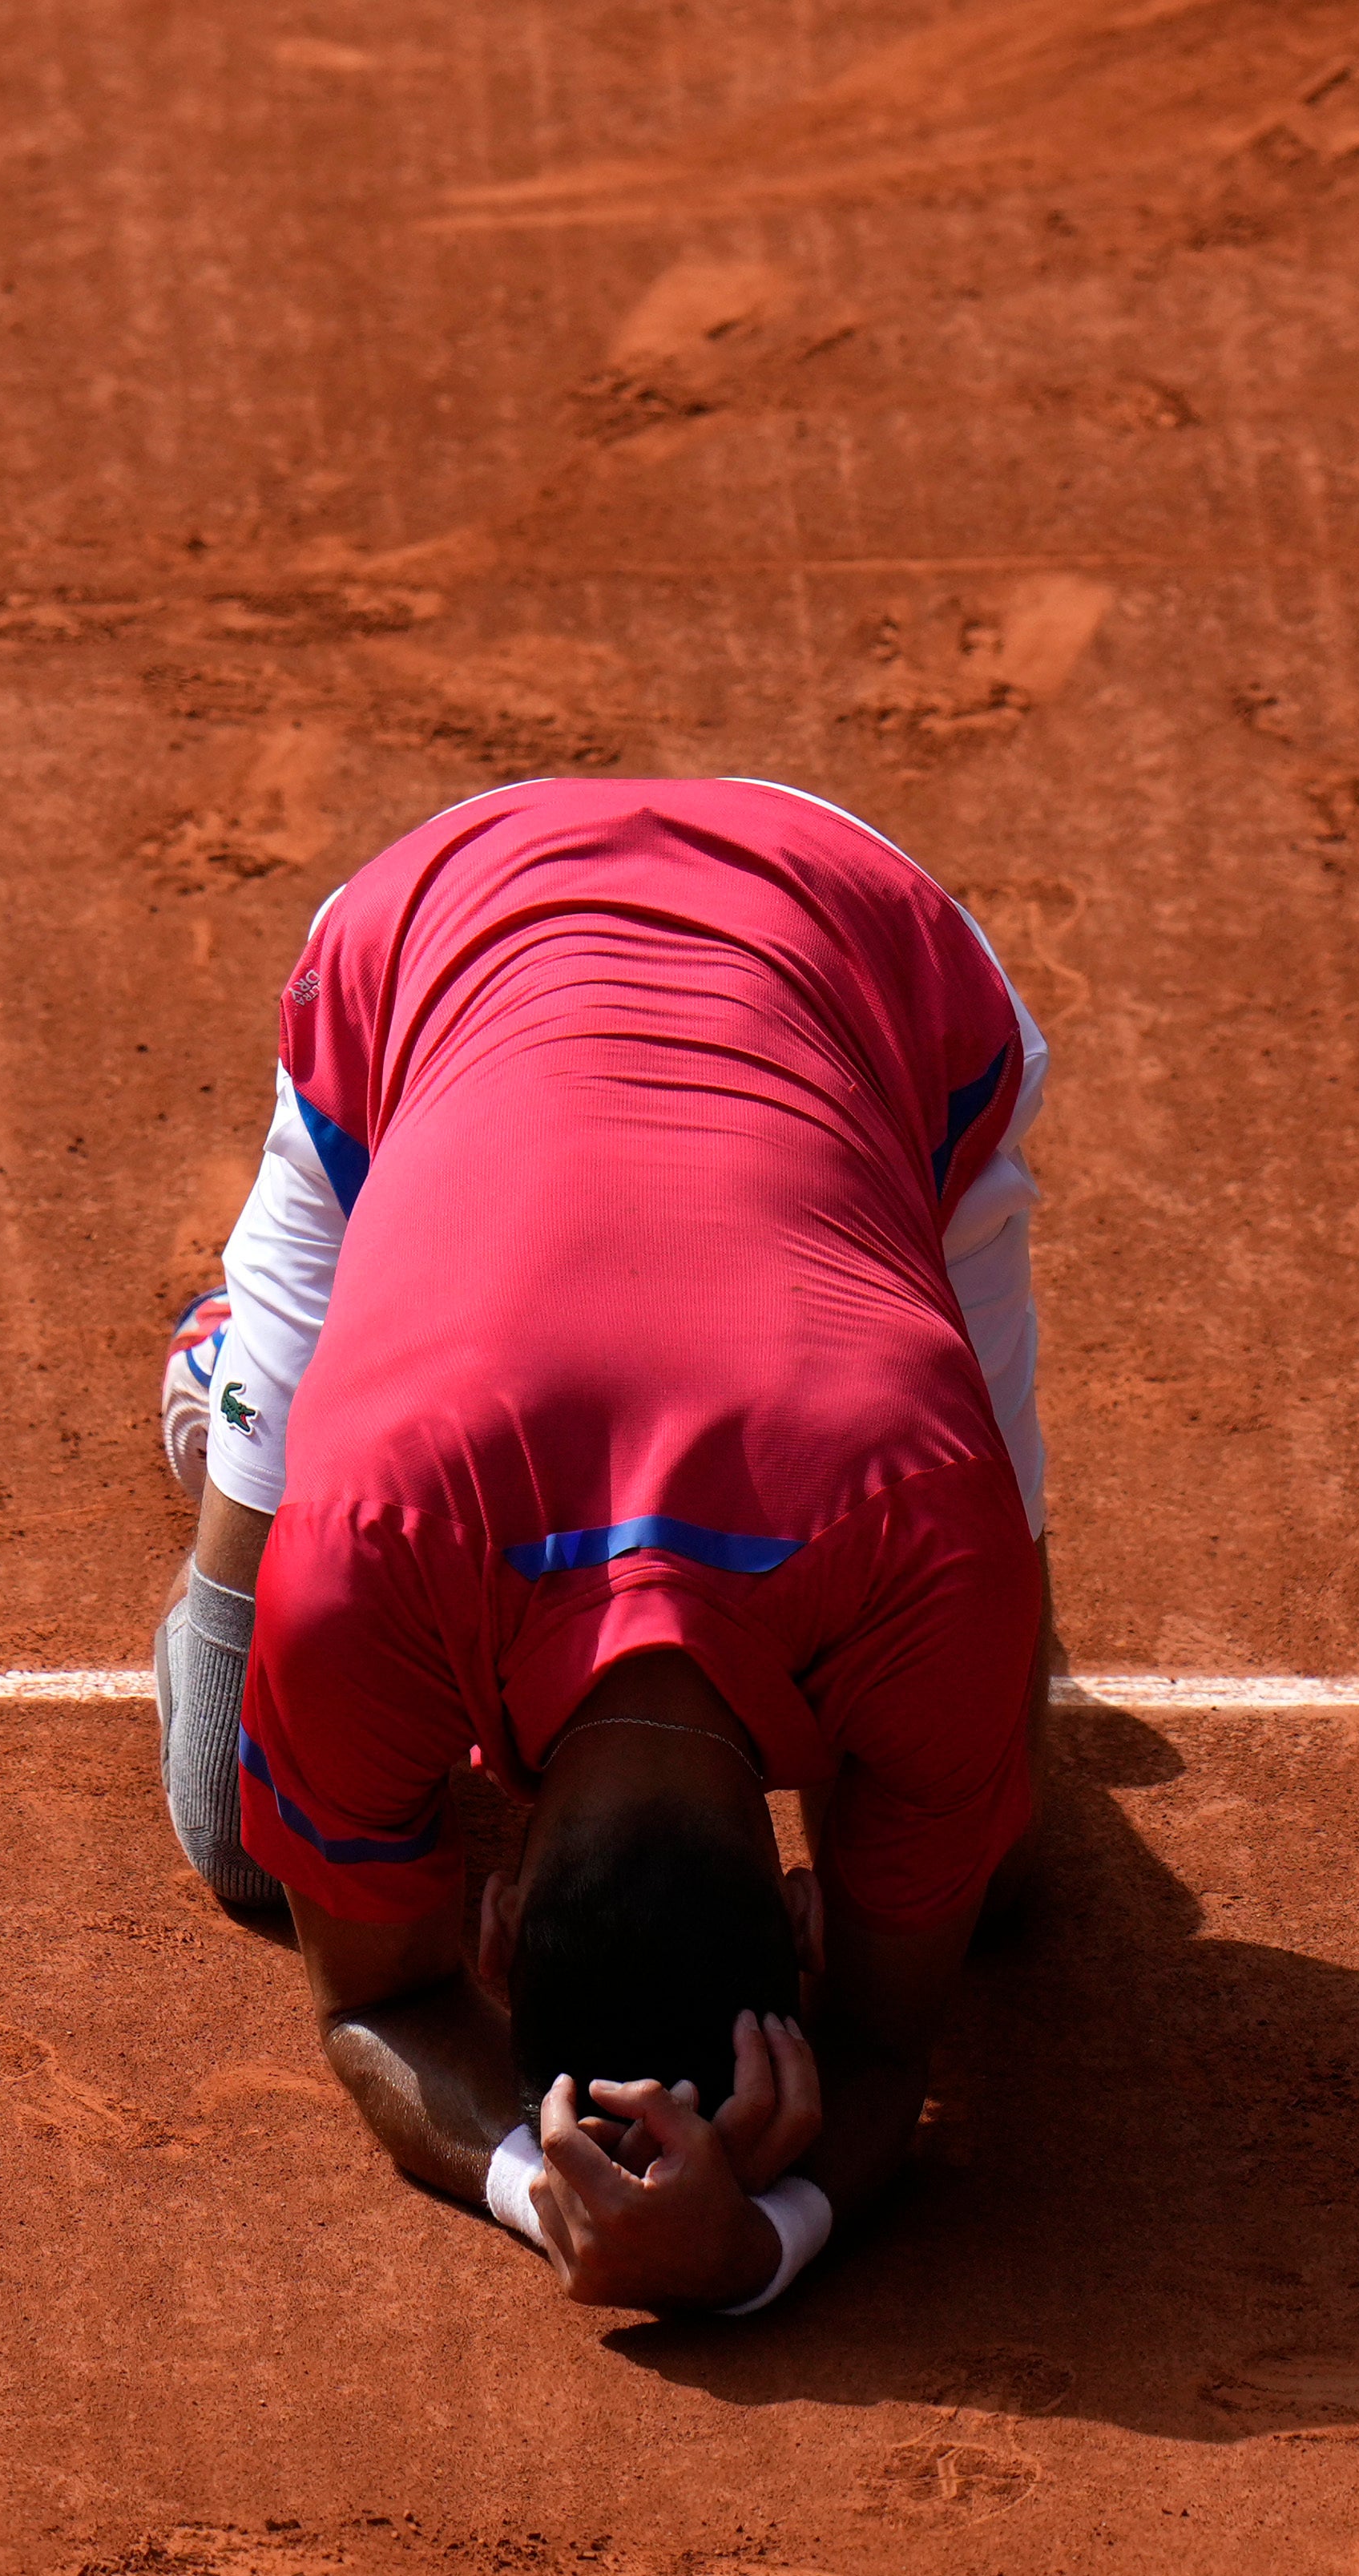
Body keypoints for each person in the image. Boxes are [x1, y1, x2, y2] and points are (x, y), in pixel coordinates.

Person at [149, 777, 1054, 2317]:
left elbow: (379, 2009)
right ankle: (231, 1353)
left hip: (877, 981)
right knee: (237, 1832)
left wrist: (732, 2238)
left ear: (493, 1924)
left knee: (1011, 1872)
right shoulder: (364, 1554)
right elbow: (893, 2042)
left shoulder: (920, 1556)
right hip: (433, 966)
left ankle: (265, 1377)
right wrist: (717, 2230)